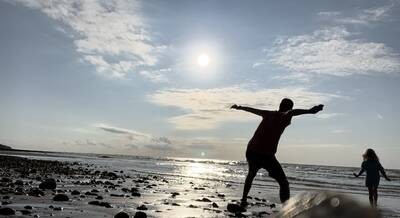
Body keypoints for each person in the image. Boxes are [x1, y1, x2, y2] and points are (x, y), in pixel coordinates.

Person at [230, 98, 324, 206]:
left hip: (256, 152)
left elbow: (253, 110)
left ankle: (244, 199)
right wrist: (309, 111)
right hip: (259, 153)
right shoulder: (284, 116)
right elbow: (292, 112)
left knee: (252, 174)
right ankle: (285, 208)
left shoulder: (268, 114)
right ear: (288, 108)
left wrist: (240, 107)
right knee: (282, 183)